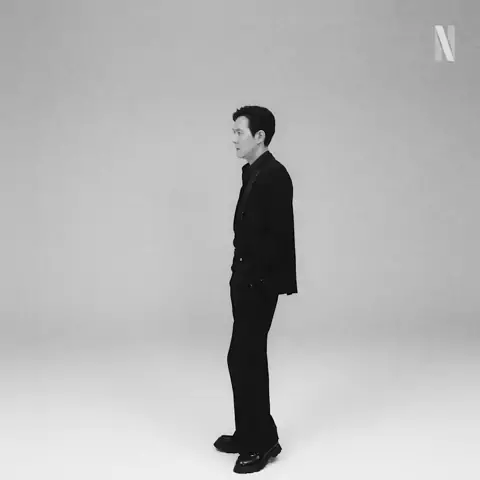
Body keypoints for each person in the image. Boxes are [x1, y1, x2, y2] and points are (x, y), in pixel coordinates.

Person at [214, 105, 298, 474]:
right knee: (241, 357)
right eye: (233, 132)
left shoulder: (274, 175)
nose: (233, 138)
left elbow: (278, 238)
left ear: (259, 136)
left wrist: (255, 280)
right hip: (246, 279)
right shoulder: (253, 171)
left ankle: (263, 441)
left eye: (239, 132)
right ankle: (248, 432)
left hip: (259, 282)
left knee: (247, 357)